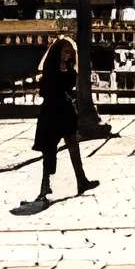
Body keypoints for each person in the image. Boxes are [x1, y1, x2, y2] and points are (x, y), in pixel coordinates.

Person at [30, 35, 96, 200]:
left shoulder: (69, 69)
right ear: (58, 51)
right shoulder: (50, 69)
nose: (68, 55)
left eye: (70, 52)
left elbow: (70, 87)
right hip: (51, 112)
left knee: (74, 147)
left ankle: (81, 180)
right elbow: (46, 91)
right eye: (66, 51)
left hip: (66, 112)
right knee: (49, 150)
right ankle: (45, 185)